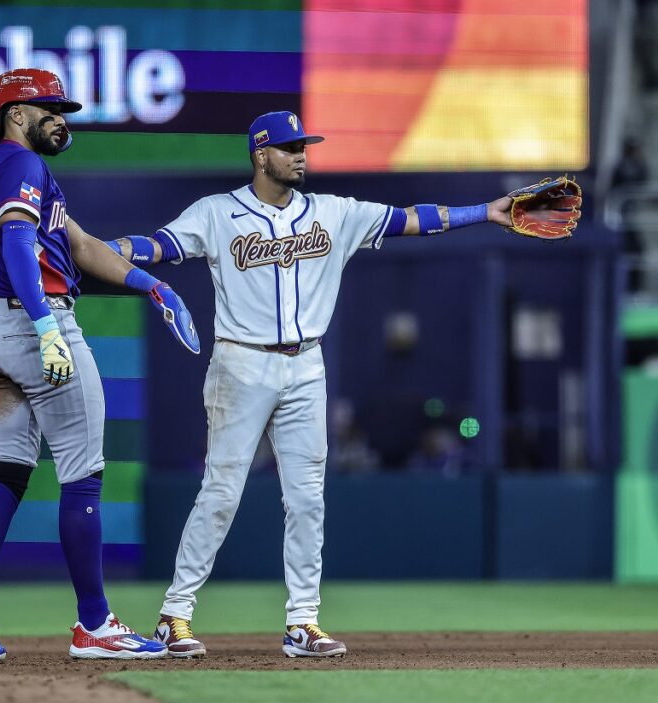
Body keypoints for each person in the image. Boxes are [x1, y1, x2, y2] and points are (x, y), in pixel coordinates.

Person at [105, 110, 516, 658]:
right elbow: (160, 245)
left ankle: (302, 621)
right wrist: (105, 248)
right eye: (290, 146)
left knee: (307, 499)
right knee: (222, 494)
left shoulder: (334, 213)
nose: (301, 153)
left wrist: (485, 212)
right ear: (260, 154)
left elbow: (413, 218)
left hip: (306, 367)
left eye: (304, 145)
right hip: (241, 364)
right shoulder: (217, 212)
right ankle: (174, 615)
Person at [0, 68, 198, 662]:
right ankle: (94, 625)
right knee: (83, 475)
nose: (61, 116)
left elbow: (81, 247)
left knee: (7, 476)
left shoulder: (5, 170)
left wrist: (153, 286)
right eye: (49, 107)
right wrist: (47, 329)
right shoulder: (23, 166)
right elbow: (16, 245)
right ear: (16, 116)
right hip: (38, 327)